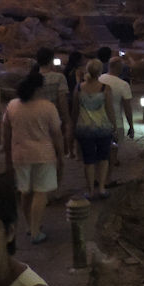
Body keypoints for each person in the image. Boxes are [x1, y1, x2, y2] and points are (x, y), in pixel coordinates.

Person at [2, 71, 64, 244]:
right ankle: (36, 231)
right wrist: (61, 153)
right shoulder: (47, 107)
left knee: (25, 191)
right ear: (40, 87)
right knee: (40, 192)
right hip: (43, 154)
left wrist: (7, 153)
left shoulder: (13, 105)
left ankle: (30, 226)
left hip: (19, 154)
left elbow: (6, 131)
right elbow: (56, 133)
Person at [71, 59, 115, 199]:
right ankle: (101, 188)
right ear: (100, 71)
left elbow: (75, 110)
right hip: (102, 128)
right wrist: (114, 126)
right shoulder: (105, 88)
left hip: (84, 128)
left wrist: (72, 127)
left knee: (88, 161)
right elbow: (110, 110)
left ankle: (90, 190)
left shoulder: (78, 88)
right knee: (103, 158)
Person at [98, 56, 135, 168]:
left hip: (97, 120)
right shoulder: (123, 85)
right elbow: (127, 107)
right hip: (116, 121)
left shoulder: (99, 79)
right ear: (120, 68)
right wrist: (131, 125)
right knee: (113, 151)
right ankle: (108, 178)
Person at [34, 48, 70, 153]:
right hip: (54, 117)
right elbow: (62, 100)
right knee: (56, 150)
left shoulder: (32, 78)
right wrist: (67, 120)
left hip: (36, 117)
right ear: (51, 60)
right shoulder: (59, 78)